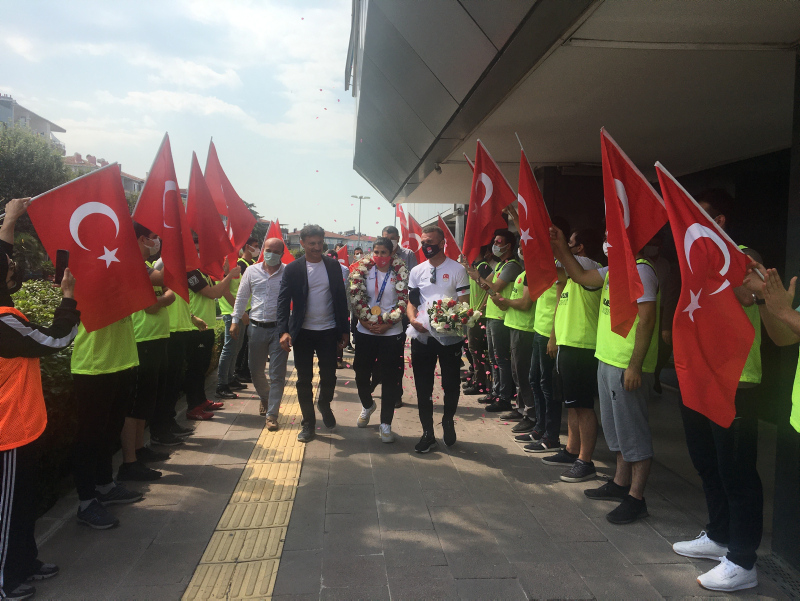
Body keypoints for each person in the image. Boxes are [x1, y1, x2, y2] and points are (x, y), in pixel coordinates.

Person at [671, 190, 764, 592]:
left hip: (735, 379)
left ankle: (743, 560)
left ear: (720, 221)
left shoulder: (743, 255)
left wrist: (740, 280)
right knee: (706, 462)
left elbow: (752, 293)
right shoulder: (696, 259)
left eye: (701, 216)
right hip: (700, 376)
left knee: (737, 472)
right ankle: (719, 535)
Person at [553, 227, 661, 524]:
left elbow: (647, 320)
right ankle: (620, 482)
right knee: (616, 430)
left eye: (610, 235)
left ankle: (636, 498)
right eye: (604, 235)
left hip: (626, 364)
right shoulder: (614, 270)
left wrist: (635, 366)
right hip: (606, 359)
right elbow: (580, 276)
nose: (605, 241)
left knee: (633, 433)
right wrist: (561, 245)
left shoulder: (641, 270)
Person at [0, 198, 78, 600]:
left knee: (23, 501)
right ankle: (4, 579)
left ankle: (24, 560)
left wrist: (11, 220)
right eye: (9, 264)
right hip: (7, 433)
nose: (12, 265)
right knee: (7, 509)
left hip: (20, 427)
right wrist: (68, 297)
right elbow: (58, 339)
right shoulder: (4, 322)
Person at [527, 229, 603, 480]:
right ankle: (572, 450)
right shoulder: (571, 272)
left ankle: (585, 461)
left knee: (583, 406)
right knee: (572, 404)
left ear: (580, 248)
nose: (564, 247)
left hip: (583, 345)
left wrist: (537, 238)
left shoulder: (587, 265)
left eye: (568, 243)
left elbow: (547, 268)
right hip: (569, 344)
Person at [277, 225, 350, 443]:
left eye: (320, 243)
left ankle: (324, 403)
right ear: (302, 243)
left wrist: (344, 330)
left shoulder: (333, 266)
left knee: (329, 375)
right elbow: (283, 301)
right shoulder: (293, 269)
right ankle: (308, 423)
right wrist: (283, 331)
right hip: (303, 333)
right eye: (312, 244)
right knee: (304, 379)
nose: (317, 247)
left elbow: (340, 299)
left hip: (328, 331)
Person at [118, 223, 175, 482]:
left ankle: (139, 450)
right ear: (142, 239)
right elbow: (162, 289)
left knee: (145, 401)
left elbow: (164, 293)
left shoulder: (146, 266)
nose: (157, 242)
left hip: (155, 337)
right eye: (154, 237)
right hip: (142, 338)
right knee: (135, 403)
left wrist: (164, 297)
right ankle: (129, 462)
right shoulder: (133, 264)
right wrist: (166, 296)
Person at [407, 225, 470, 452]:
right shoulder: (417, 271)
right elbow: (412, 301)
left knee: (451, 383)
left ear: (442, 243)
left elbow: (464, 303)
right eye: (424, 243)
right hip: (422, 336)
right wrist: (412, 319)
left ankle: (448, 419)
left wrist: (451, 320)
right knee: (423, 385)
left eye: (431, 242)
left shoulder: (457, 269)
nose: (427, 247)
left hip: (449, 336)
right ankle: (428, 433)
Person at [350, 237, 408, 442]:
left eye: (384, 252)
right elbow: (354, 299)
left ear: (391, 254)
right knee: (360, 373)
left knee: (390, 378)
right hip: (365, 330)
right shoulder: (362, 271)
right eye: (376, 252)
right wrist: (364, 322)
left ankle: (386, 424)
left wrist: (388, 324)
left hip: (391, 332)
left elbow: (403, 302)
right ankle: (368, 405)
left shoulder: (400, 273)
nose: (380, 256)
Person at [231, 237, 288, 431]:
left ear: (282, 254)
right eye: (268, 250)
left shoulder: (288, 272)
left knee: (277, 374)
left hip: (279, 330)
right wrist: (235, 321)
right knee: (255, 371)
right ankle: (265, 396)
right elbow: (241, 296)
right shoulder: (251, 271)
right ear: (263, 250)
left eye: (276, 252)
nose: (271, 254)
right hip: (256, 328)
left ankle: (272, 415)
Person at [467, 230, 522, 412]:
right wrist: (476, 276)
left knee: (501, 358)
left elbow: (494, 287)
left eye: (499, 242)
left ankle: (504, 397)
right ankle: (495, 392)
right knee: (493, 357)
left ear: (509, 245)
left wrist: (479, 278)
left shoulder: (512, 266)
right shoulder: (499, 265)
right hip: (492, 315)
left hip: (501, 317)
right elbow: (486, 286)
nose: (495, 245)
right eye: (494, 242)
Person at [184, 247, 241, 419]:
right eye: (197, 250)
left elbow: (219, 290)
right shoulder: (191, 273)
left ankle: (201, 401)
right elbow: (212, 293)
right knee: (195, 369)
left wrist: (225, 274)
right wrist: (229, 276)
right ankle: (193, 407)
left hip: (206, 327)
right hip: (195, 329)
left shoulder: (204, 274)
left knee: (202, 367)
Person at [216, 237, 259, 399]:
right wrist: (240, 312)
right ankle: (221, 384)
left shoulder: (236, 266)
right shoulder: (228, 266)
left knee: (236, 347)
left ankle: (230, 378)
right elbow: (225, 292)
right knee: (229, 349)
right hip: (231, 313)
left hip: (239, 313)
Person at [462, 245, 494, 396]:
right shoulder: (475, 267)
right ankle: (478, 379)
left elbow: (489, 289)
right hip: (473, 316)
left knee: (477, 351)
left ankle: (481, 384)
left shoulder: (484, 267)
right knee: (473, 350)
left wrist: (481, 308)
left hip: (481, 316)